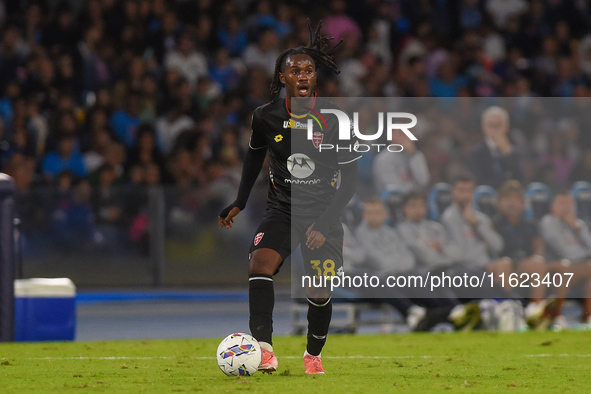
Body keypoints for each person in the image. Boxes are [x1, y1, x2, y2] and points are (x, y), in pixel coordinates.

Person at [219, 21, 359, 375]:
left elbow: (351, 181)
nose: (302, 74)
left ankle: (313, 354)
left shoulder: (336, 119)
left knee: (319, 290)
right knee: (258, 264)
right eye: (294, 69)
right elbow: (253, 156)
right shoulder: (266, 116)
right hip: (282, 208)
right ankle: (264, 351)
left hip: (323, 213)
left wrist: (324, 224)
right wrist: (240, 200)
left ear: (315, 78)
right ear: (282, 78)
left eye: (308, 70)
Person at [492, 180, 555, 329]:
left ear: (523, 203)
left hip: (523, 267)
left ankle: (536, 312)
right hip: (500, 267)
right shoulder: (492, 224)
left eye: (516, 198)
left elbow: (539, 248)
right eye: (507, 198)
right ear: (499, 202)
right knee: (504, 264)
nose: (512, 203)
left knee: (538, 263)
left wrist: (536, 259)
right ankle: (509, 313)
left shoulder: (530, 225)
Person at [539, 191, 591, 328]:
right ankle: (556, 316)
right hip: (551, 268)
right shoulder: (549, 222)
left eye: (569, 203)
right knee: (566, 267)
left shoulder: (578, 224)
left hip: (577, 268)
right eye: (562, 203)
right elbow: (563, 251)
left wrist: (576, 229)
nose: (566, 208)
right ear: (553, 207)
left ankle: (588, 317)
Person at [468, 106, 524, 189]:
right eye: (491, 125)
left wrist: (508, 155)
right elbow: (479, 182)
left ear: (506, 126)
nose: (494, 129)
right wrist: (505, 178)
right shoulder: (476, 152)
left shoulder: (515, 152)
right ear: (483, 127)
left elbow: (520, 180)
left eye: (498, 125)